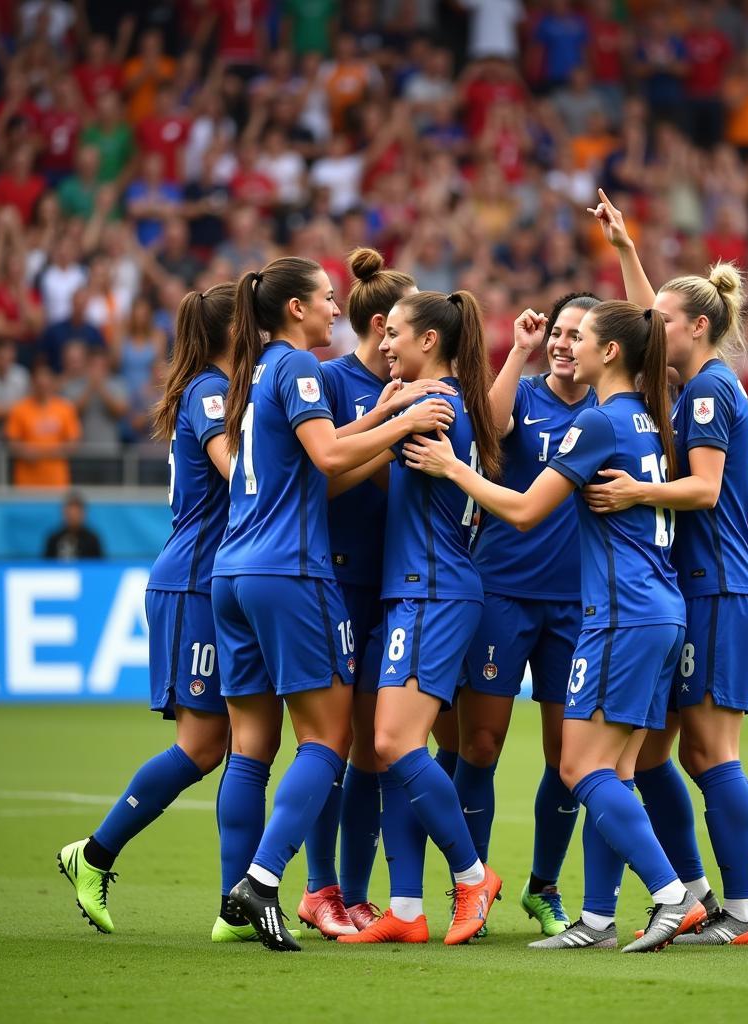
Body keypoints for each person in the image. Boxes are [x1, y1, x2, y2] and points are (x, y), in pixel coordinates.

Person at [403, 299, 708, 952]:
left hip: (618, 615)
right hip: (659, 608)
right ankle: (597, 920)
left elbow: (521, 510)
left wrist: (454, 468)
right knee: (614, 773)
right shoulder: (652, 418)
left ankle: (674, 893)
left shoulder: (599, 422)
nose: (569, 345)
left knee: (577, 767)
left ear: (610, 353)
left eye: (584, 336)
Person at [585, 187, 748, 944]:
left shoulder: (712, 393)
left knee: (709, 750)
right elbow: (652, 311)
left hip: (719, 587)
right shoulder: (700, 383)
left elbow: (708, 488)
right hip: (712, 587)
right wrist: (626, 249)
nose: (653, 329)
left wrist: (634, 491)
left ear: (699, 328)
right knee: (677, 750)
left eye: (665, 323)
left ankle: (746, 910)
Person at [213, 257, 453, 953]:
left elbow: (317, 451)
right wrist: (405, 421)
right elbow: (325, 458)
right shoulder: (303, 370)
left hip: (235, 571)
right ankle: (262, 881)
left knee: (252, 748)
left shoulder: (259, 370)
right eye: (322, 298)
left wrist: (380, 414)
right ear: (294, 309)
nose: (332, 307)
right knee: (331, 739)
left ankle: (236, 900)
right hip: (292, 571)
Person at [56, 283, 242, 938]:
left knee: (237, 744)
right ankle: (94, 854)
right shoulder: (210, 392)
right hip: (194, 580)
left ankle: (236, 903)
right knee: (202, 747)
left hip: (221, 578)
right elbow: (238, 467)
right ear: (229, 330)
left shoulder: (217, 387)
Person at [337, 290, 505, 947]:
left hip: (430, 590)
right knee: (392, 752)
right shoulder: (441, 402)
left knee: (392, 745)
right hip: (419, 589)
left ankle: (471, 877)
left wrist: (384, 412)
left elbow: (337, 463)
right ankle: (405, 907)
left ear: (429, 341)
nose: (384, 343)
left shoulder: (430, 404)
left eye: (397, 333)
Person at [455, 292, 599, 939]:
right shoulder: (529, 395)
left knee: (568, 757)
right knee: (479, 744)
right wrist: (517, 350)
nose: (565, 343)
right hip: (501, 593)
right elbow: (486, 426)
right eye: (559, 333)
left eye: (578, 334)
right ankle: (473, 882)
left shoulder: (610, 412)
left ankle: (544, 885)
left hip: (577, 604)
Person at [298, 247, 420, 938]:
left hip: (393, 586)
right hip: (334, 580)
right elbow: (319, 480)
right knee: (331, 740)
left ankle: (354, 892)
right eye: (403, 325)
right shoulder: (328, 382)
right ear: (381, 325)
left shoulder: (416, 387)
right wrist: (392, 429)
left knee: (375, 748)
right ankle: (318, 887)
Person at [4, 359, 81, 488]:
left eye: (46, 380)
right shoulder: (19, 409)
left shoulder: (65, 408)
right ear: (33, 383)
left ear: (52, 382)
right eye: (38, 381)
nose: (42, 385)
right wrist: (27, 452)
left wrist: (41, 453)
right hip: (26, 482)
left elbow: (73, 443)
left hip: (57, 482)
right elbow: (12, 441)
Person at [44, 492, 104, 559]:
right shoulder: (54, 538)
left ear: (83, 514)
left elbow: (99, 565)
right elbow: (46, 565)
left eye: (76, 514)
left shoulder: (92, 540)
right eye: (69, 514)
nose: (72, 517)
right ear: (64, 513)